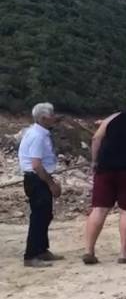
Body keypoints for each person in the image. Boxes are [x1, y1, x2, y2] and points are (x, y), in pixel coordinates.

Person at [82, 92, 126, 265]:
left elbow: (96, 138)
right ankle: (125, 254)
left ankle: (89, 251)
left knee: (99, 209)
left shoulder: (113, 117)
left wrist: (95, 161)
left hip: (106, 167)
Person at [18, 103, 63, 268]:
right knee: (38, 217)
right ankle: (30, 255)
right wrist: (51, 184)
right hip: (36, 179)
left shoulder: (39, 133)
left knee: (45, 215)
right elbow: (36, 164)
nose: (55, 117)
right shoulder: (37, 136)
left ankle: (42, 249)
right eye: (52, 115)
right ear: (44, 118)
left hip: (39, 177)